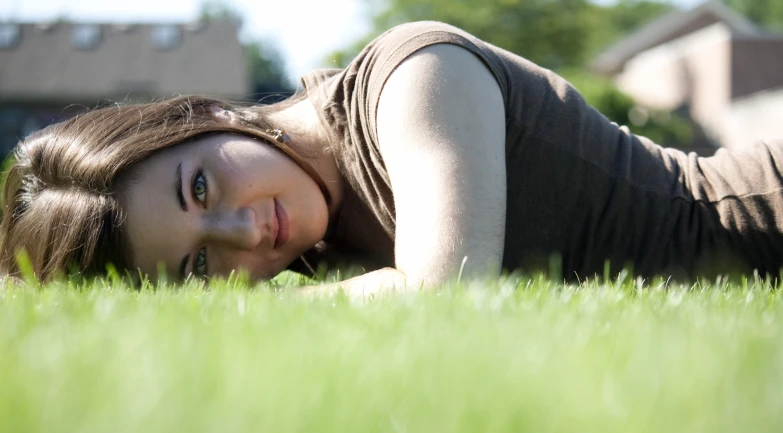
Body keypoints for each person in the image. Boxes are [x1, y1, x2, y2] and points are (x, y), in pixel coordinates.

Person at [1, 21, 782, 294]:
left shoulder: (412, 78)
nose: (243, 234)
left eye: (200, 187)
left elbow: (445, 294)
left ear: (202, 116)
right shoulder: (308, 245)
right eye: (199, 268)